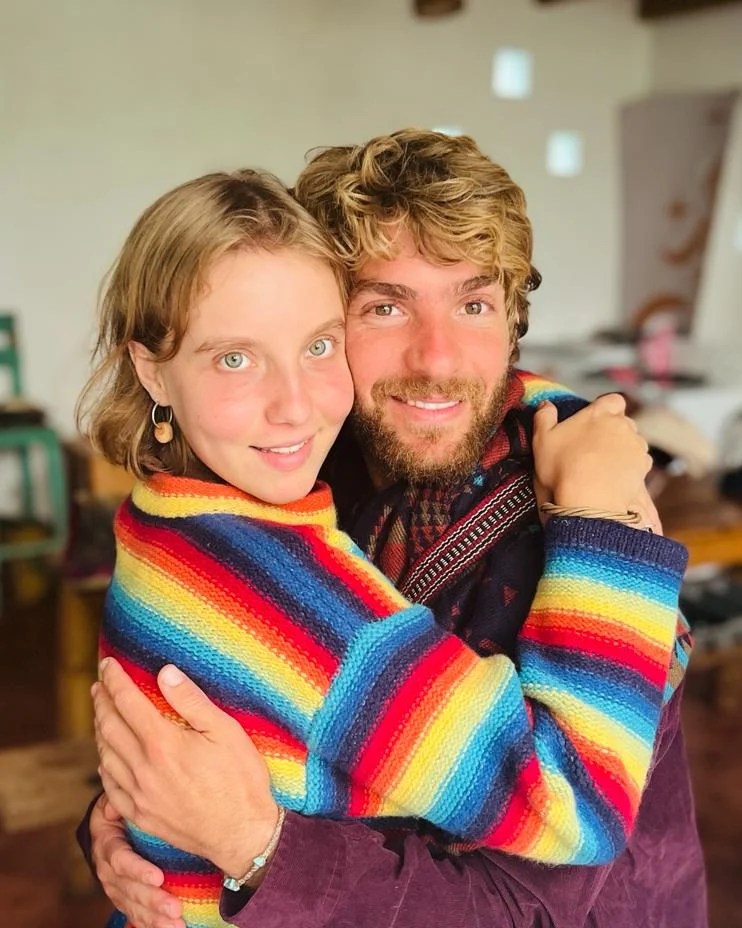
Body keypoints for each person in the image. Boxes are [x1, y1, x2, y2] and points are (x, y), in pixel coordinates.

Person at [84, 131, 706, 928]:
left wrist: (253, 847)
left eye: (474, 304)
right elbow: (203, 713)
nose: (437, 358)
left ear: (512, 323)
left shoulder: (582, 538)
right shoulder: (285, 475)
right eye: (384, 307)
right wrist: (126, 832)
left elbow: (523, 908)